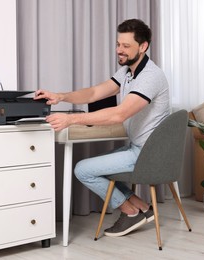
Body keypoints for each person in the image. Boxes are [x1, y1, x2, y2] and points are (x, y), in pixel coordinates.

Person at [34, 19, 170, 237]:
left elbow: (119, 114)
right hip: (139, 147)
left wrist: (71, 120)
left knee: (83, 170)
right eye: (118, 44)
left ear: (143, 47)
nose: (119, 50)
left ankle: (130, 212)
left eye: (126, 46)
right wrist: (61, 96)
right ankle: (143, 208)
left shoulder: (150, 77)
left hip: (149, 153)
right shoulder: (127, 71)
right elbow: (94, 93)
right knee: (96, 169)